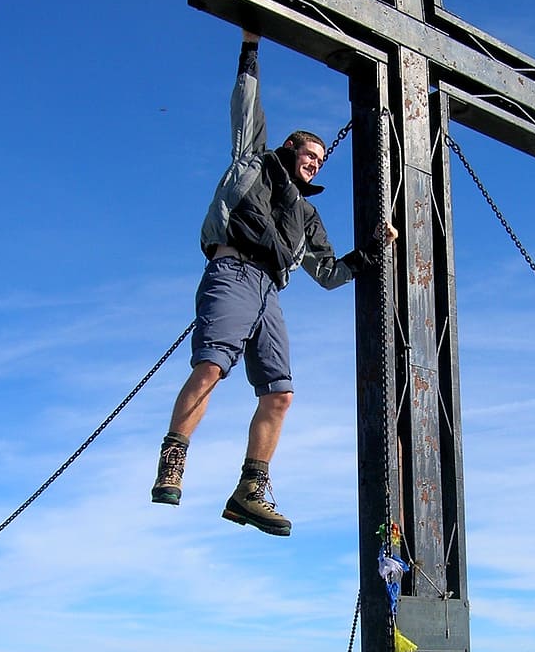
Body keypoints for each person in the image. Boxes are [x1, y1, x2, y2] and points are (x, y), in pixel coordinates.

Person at [151, 30, 397, 537]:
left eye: (321, 162)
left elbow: (329, 274)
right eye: (310, 155)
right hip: (232, 270)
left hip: (270, 292)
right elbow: (246, 105)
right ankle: (173, 459)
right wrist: (250, 47)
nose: (315, 164)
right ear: (290, 147)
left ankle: (250, 490)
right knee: (213, 366)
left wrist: (375, 249)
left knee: (280, 394)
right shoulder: (255, 162)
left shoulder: (306, 216)